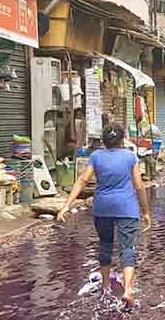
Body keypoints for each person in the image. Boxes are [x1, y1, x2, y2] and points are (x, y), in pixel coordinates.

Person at [58, 124, 152, 307]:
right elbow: (139, 186)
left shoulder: (96, 157)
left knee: (105, 245)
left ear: (104, 140)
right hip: (126, 209)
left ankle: (106, 286)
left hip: (102, 208)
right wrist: (146, 211)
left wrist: (66, 205)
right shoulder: (130, 157)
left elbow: (82, 181)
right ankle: (128, 290)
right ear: (122, 139)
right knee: (128, 248)